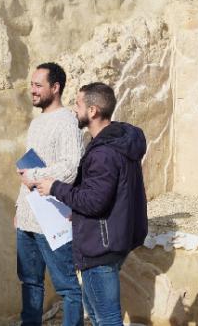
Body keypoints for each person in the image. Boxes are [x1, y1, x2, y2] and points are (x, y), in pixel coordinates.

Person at [33, 82, 148, 326]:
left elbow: (94, 202)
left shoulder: (104, 153)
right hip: (114, 239)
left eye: (78, 104)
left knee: (106, 319)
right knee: (97, 317)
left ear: (93, 111)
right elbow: (108, 194)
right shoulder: (118, 142)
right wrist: (76, 208)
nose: (74, 109)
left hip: (100, 248)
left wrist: (54, 187)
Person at [15, 62, 85, 326]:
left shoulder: (67, 121)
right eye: (31, 84)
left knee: (67, 287)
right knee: (30, 283)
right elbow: (27, 168)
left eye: (37, 85)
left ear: (55, 88)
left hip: (53, 218)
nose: (32, 90)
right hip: (27, 219)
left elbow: (70, 167)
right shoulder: (37, 122)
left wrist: (32, 176)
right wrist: (17, 208)